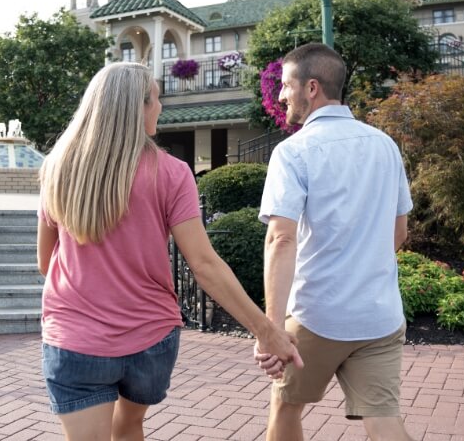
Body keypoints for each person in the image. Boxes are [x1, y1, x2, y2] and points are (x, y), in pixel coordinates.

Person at [36, 62, 302, 441]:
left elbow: (46, 263)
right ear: (137, 107)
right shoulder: (172, 173)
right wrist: (265, 330)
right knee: (129, 427)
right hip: (150, 336)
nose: (161, 107)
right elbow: (205, 264)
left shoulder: (57, 169)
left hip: (76, 337)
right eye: (156, 99)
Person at [254, 43, 414, 441]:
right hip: (379, 316)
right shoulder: (385, 145)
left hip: (317, 315)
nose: (280, 95)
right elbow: (399, 233)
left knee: (285, 407)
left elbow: (280, 239)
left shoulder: (293, 152)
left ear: (311, 88)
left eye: (286, 86)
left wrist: (273, 329)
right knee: (384, 420)